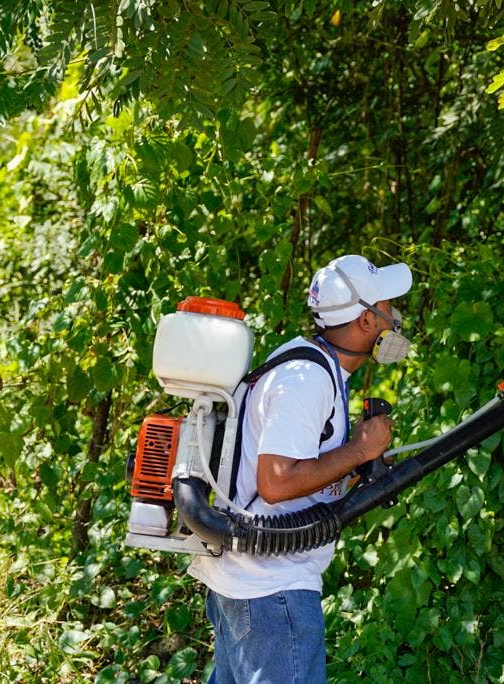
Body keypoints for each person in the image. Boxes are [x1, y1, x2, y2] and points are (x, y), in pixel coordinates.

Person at [188, 254, 413, 683]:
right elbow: (274, 482)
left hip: (250, 582)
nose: (394, 317)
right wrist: (359, 451)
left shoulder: (311, 363)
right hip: (271, 589)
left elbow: (297, 468)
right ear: (366, 320)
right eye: (387, 307)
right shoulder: (307, 379)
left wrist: (352, 467)